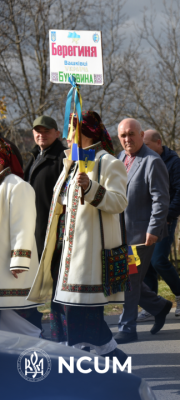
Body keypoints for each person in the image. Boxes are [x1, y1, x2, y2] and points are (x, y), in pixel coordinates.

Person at [27, 111, 127, 361]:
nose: (68, 136)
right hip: (66, 252)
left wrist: (91, 187)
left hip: (91, 253)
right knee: (70, 310)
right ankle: (94, 357)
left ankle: (106, 357)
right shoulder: (71, 163)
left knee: (82, 311)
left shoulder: (108, 163)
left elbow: (119, 202)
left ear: (87, 133)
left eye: (73, 130)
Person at [115, 118, 172, 344]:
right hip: (121, 233)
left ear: (141, 135)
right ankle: (159, 306)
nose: (127, 139)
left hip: (142, 235)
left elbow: (161, 199)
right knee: (128, 278)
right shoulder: (121, 158)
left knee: (130, 279)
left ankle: (127, 328)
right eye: (123, 136)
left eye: (131, 134)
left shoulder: (152, 161)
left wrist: (154, 229)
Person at [139, 130, 180, 320]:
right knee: (145, 264)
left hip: (164, 219)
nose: (143, 147)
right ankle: (152, 304)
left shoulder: (174, 162)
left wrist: (167, 216)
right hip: (145, 220)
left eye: (146, 143)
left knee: (158, 260)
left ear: (158, 142)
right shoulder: (143, 159)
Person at [0, 138, 43, 337]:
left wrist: (20, 261)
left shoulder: (16, 186)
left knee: (22, 321)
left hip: (12, 269)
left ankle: (39, 354)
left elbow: (24, 226)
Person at [23, 115, 67, 259]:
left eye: (46, 131)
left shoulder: (64, 158)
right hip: (31, 228)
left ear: (57, 134)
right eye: (38, 131)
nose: (42, 135)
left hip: (51, 233)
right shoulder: (35, 156)